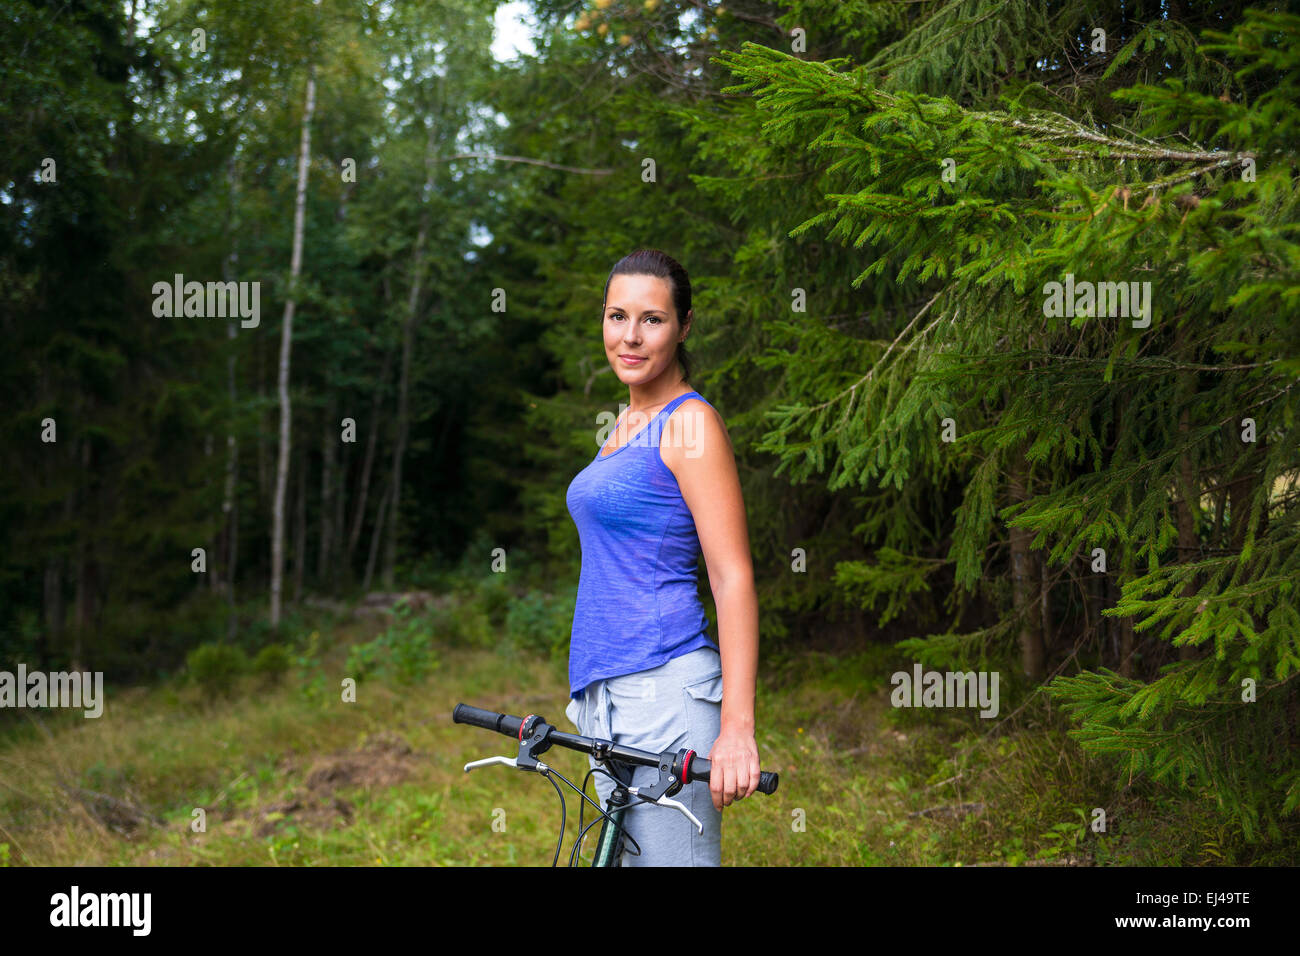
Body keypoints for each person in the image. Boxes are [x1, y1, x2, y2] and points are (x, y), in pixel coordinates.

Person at [564, 248, 761, 866]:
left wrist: (737, 729)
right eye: (616, 316)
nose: (630, 336)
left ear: (683, 326)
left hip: (667, 691)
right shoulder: (624, 424)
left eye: (652, 319)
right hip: (604, 698)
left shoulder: (690, 424)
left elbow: (732, 577)